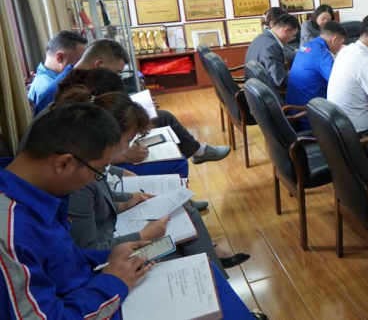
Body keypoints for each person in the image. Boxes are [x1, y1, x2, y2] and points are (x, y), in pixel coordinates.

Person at [0, 104, 264, 319]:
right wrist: (113, 282)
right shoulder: (10, 232)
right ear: (64, 163)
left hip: (91, 290)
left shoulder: (34, 194)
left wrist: (107, 256)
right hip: (94, 298)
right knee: (207, 290)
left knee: (205, 276)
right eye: (97, 172)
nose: (96, 180)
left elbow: (63, 260)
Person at [56, 88, 249, 277]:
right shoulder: (81, 178)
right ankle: (213, 278)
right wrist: (143, 235)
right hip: (113, 258)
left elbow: (100, 200)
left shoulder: (89, 165)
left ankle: (215, 276)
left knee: (187, 216)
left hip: (116, 233)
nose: (129, 146)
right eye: (129, 140)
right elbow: (89, 251)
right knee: (187, 226)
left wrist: (124, 203)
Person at [35, 39, 229, 166]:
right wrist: (122, 156)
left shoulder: (79, 78)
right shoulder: (58, 92)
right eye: (117, 72)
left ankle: (197, 152)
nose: (118, 78)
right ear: (99, 64)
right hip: (99, 149)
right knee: (176, 160)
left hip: (104, 138)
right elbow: (78, 145)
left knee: (164, 117)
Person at [286, 21, 347, 130]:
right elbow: (339, 84)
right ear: (334, 39)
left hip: (295, 111)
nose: (339, 49)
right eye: (341, 44)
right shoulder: (322, 54)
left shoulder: (306, 46)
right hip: (311, 116)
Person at [27, 30, 88, 106]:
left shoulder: (43, 77)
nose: (83, 64)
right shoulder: (51, 90)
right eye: (80, 59)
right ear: (60, 57)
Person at [245, 13, 300, 88]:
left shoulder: (260, 38)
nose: (291, 39)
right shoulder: (272, 46)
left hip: (253, 88)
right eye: (292, 36)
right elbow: (281, 81)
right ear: (286, 31)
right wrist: (300, 72)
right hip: (268, 91)